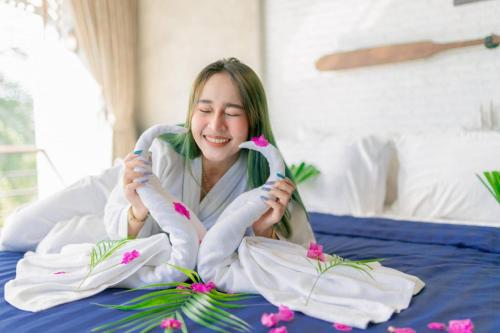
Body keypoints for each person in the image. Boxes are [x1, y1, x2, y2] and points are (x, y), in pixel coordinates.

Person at [104, 57, 314, 246]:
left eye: (232, 113)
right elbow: (116, 235)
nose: (215, 125)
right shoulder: (160, 154)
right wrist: (138, 212)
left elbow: (302, 254)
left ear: (254, 120)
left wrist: (265, 232)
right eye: (205, 110)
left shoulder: (268, 182)